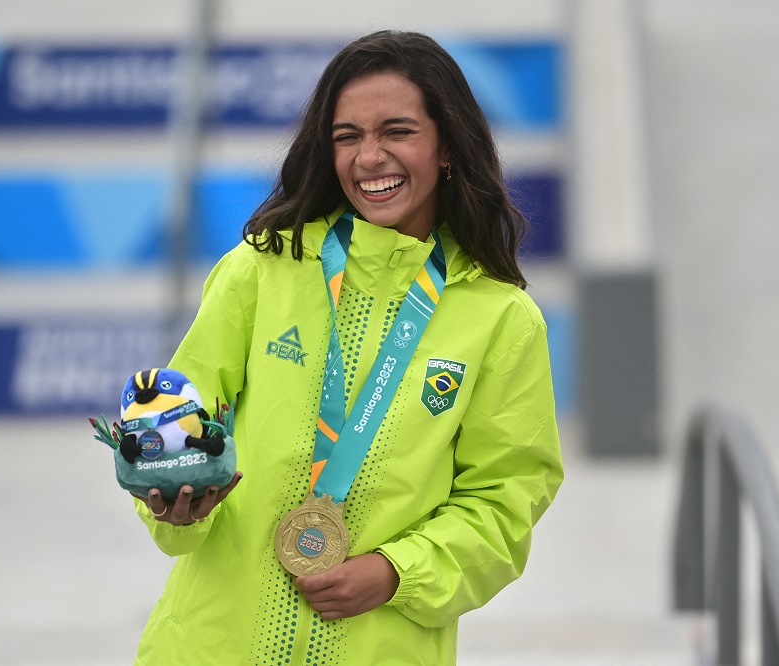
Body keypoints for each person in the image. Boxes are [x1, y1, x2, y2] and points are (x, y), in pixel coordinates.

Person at [130, 30, 564, 665]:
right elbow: (180, 424)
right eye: (347, 136)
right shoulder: (263, 270)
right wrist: (172, 502)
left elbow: (505, 498)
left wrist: (396, 572)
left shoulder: (502, 319)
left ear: (446, 145)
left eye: (398, 131)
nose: (370, 157)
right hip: (209, 647)